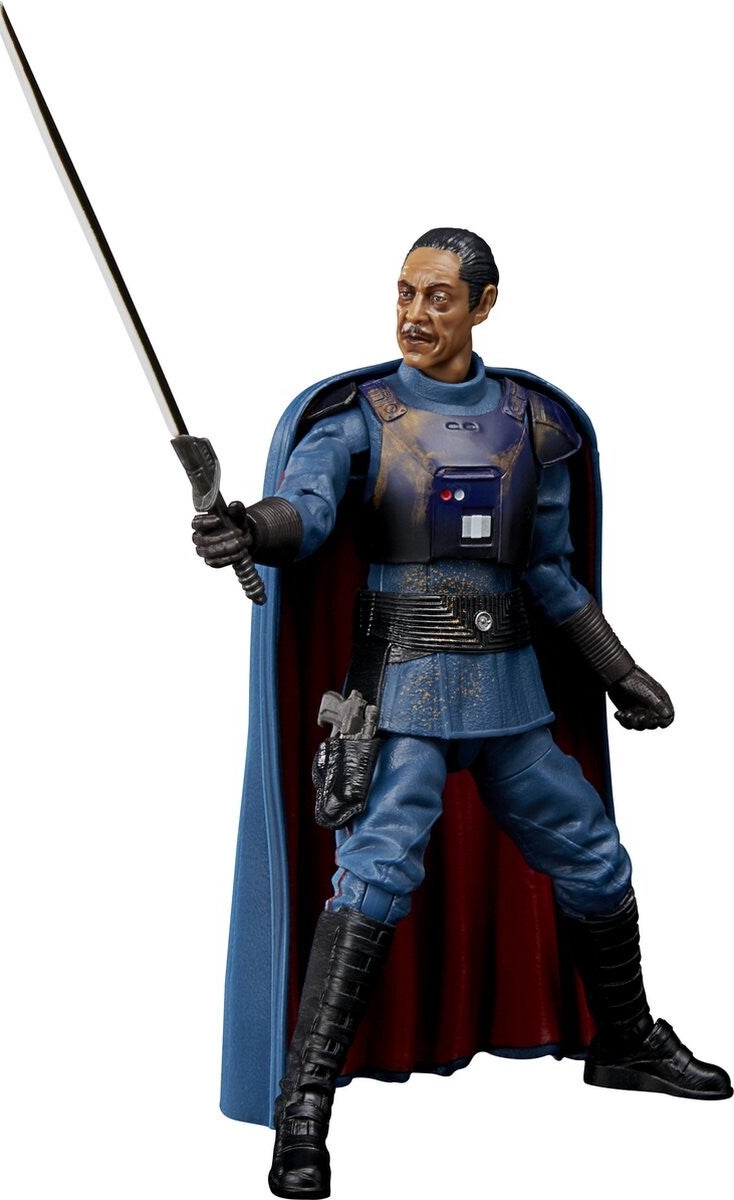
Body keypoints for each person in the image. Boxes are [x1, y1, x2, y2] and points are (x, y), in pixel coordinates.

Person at [193, 228, 732, 1200]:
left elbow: (549, 571)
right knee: (374, 871)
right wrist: (251, 527)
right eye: (404, 292)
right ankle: (303, 1107)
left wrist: (618, 672)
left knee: (593, 854)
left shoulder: (532, 423)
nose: (414, 313)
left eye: (438, 296)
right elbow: (305, 513)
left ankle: (624, 1040)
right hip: (401, 692)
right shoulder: (361, 420)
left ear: (483, 305)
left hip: (510, 694)